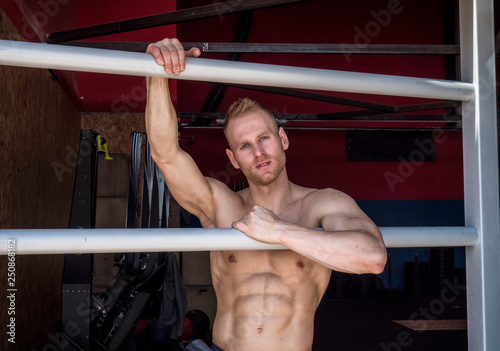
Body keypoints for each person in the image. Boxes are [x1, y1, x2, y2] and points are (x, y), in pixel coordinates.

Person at [145, 38, 387, 351]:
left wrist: (278, 231)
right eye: (245, 146)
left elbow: (372, 257)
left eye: (264, 138)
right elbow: (165, 154)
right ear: (233, 159)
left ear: (282, 138)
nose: (258, 152)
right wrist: (157, 74)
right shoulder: (219, 204)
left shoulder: (323, 204)